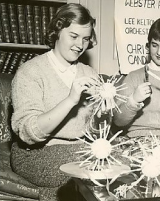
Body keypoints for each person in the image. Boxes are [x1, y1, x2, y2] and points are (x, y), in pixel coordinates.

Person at [10, 4, 100, 201]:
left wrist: (105, 109)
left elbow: (94, 131)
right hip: (36, 154)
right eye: (73, 36)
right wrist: (70, 100)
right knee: (91, 169)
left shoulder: (90, 73)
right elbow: (28, 133)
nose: (80, 45)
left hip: (79, 149)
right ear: (57, 31)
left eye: (85, 39)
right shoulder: (30, 72)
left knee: (124, 160)